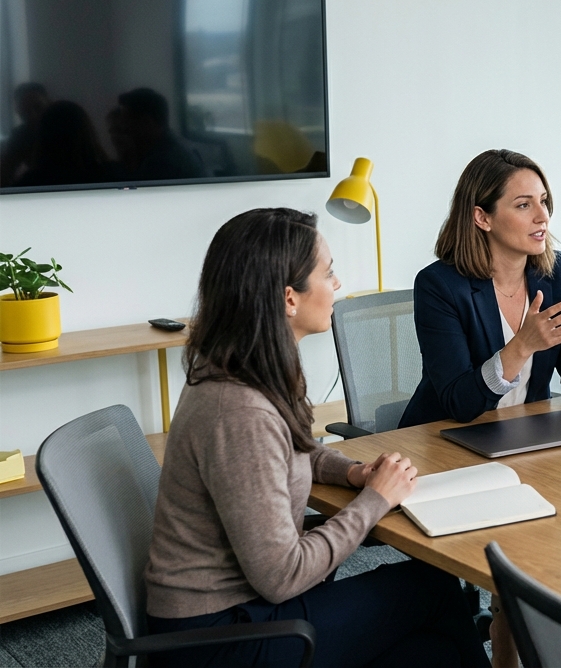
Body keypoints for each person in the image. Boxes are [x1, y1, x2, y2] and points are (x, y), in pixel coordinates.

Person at [144, 208, 489, 667]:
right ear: (290, 298)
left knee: (430, 649)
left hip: (242, 607)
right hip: (221, 638)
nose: (337, 285)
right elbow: (281, 576)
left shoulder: (252, 366)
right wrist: (375, 502)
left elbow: (294, 451)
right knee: (432, 590)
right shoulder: (239, 409)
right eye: (328, 273)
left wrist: (353, 472)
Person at [399, 149, 561, 427]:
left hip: (522, 434)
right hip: (441, 438)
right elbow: (460, 404)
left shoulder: (558, 273)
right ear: (482, 218)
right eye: (524, 205)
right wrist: (522, 345)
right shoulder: (439, 286)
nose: (543, 216)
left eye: (543, 201)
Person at [0, 82, 50, 186]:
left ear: (49, 104)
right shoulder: (19, 135)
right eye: (25, 111)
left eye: (38, 107)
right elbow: (6, 171)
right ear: (18, 111)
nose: (32, 116)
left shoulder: (64, 130)